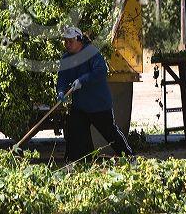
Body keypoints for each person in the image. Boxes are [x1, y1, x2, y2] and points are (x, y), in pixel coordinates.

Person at [57, 26, 133, 162]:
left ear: (79, 40)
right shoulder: (66, 58)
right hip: (80, 106)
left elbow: (100, 71)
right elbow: (62, 77)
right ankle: (76, 162)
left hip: (99, 105)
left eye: (70, 41)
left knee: (110, 133)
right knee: (75, 133)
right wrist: (61, 90)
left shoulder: (92, 53)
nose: (67, 45)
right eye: (65, 42)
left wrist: (82, 80)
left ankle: (129, 157)